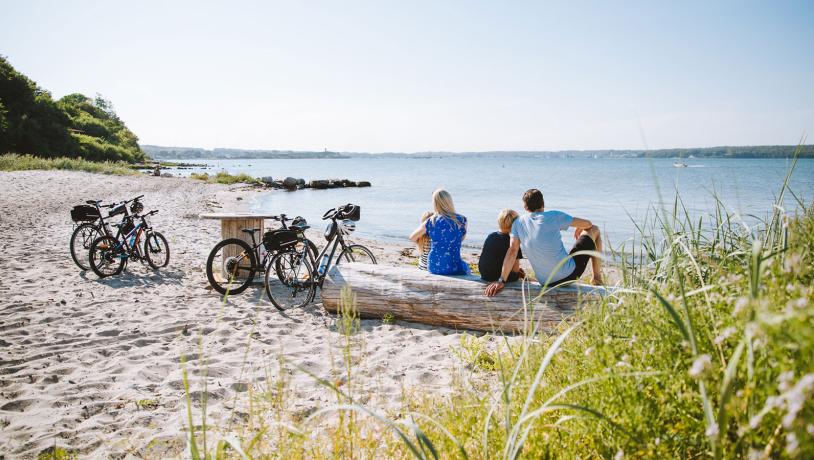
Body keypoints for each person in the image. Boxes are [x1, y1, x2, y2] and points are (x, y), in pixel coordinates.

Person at [484, 188, 603, 297]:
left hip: (545, 281)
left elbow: (512, 251)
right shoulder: (554, 216)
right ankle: (597, 278)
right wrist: (580, 227)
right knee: (595, 229)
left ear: (525, 208)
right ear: (543, 204)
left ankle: (596, 278)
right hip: (569, 275)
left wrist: (501, 280)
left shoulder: (518, 223)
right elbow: (589, 224)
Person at [410, 189, 470, 275]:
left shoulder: (431, 220)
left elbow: (412, 237)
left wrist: (429, 238)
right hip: (454, 265)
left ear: (435, 203)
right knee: (466, 268)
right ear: (450, 202)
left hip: (433, 266)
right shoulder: (462, 220)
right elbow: (461, 239)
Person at [479, 209, 525, 282]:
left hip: (485, 275)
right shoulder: (513, 243)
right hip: (500, 278)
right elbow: (515, 270)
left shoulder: (491, 236)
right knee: (520, 275)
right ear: (516, 225)